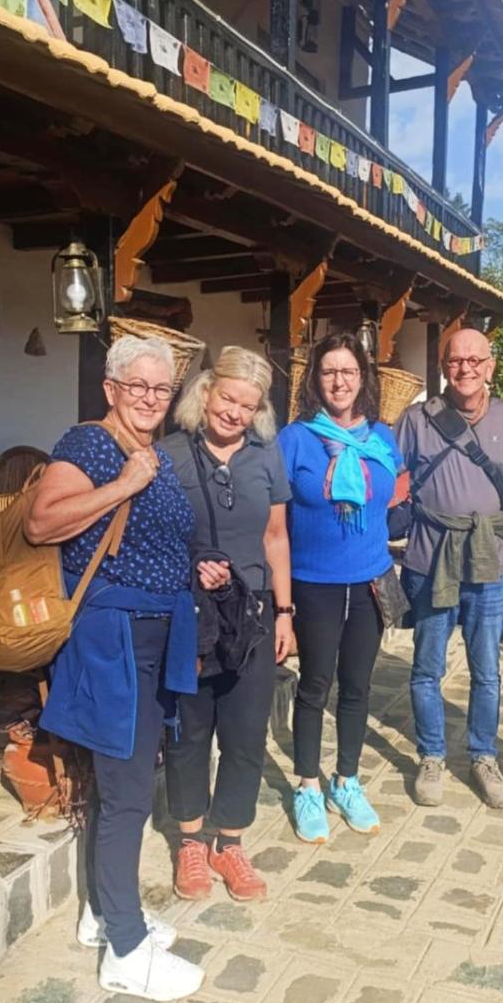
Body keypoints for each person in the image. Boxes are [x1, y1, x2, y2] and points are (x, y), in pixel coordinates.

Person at [25, 334, 204, 1002]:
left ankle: (101, 916)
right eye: (138, 387)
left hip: (151, 636)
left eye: (161, 388)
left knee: (118, 784)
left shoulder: (148, 448)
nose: (151, 399)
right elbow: (43, 523)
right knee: (128, 792)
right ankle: (126, 951)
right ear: (111, 389)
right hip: (115, 641)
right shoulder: (91, 445)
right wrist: (125, 484)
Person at [161, 346, 293, 902]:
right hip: (191, 613)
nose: (235, 413)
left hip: (252, 614)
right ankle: (191, 841)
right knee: (190, 729)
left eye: (248, 405)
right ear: (207, 391)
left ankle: (230, 841)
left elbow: (275, 537)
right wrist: (189, 566)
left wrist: (285, 613)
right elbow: (154, 536)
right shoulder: (169, 454)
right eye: (228, 398)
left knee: (245, 732)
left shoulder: (266, 456)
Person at [278, 333, 403, 843]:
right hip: (314, 584)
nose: (339, 381)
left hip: (370, 579)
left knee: (357, 686)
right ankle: (308, 785)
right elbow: (275, 520)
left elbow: (394, 493)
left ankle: (346, 780)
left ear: (362, 377)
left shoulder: (382, 437)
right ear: (315, 378)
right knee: (314, 686)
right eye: (329, 371)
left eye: (348, 371)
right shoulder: (295, 439)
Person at [395, 328, 503, 809]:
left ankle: (483, 755)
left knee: (486, 670)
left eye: (475, 360)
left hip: (491, 563)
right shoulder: (417, 419)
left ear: (491, 366)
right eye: (455, 360)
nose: (465, 368)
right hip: (432, 558)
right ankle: (431, 755)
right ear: (444, 366)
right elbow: (381, 470)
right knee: (427, 666)